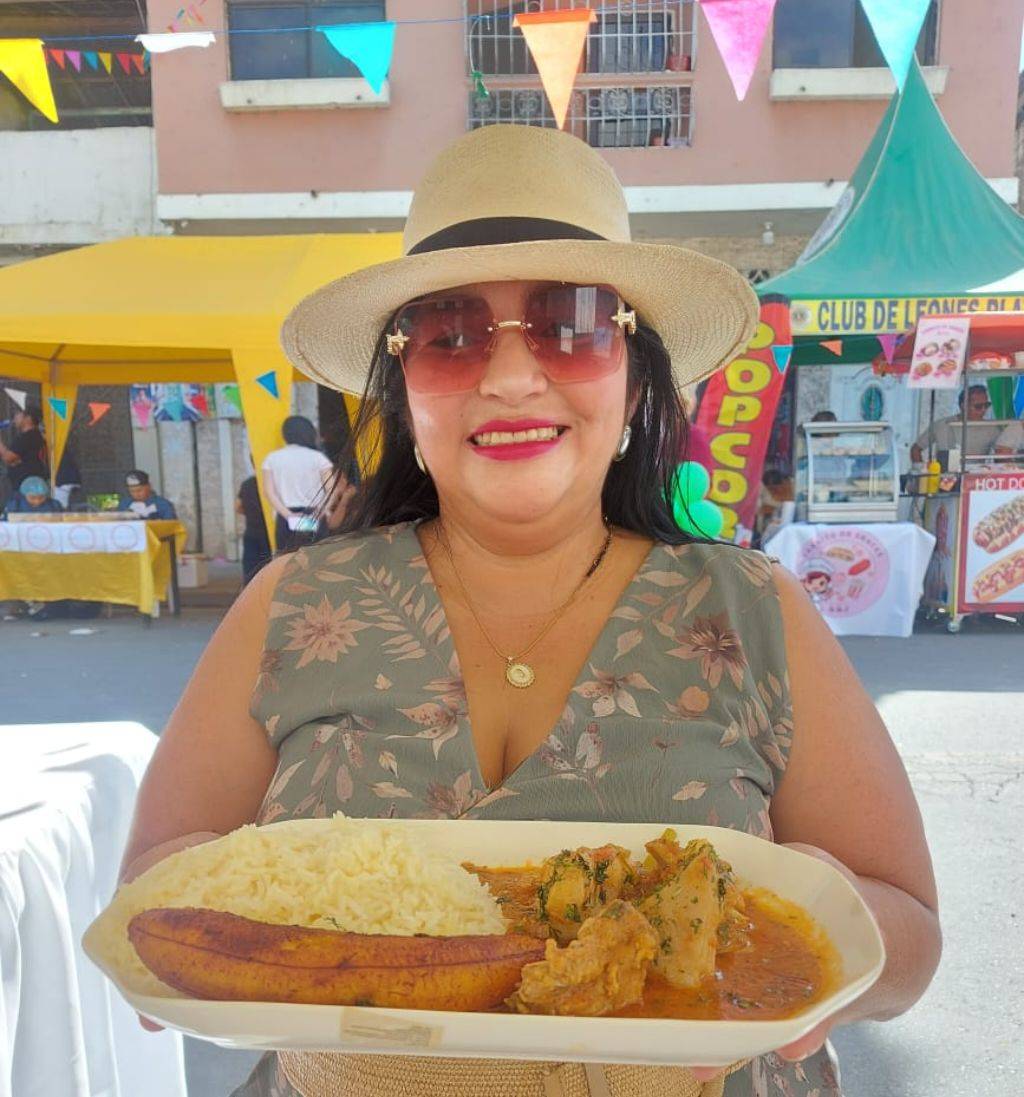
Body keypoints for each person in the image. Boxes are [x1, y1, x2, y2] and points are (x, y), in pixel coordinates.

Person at [118, 125, 940, 1097]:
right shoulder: (287, 605)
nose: (510, 377)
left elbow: (909, 935)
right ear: (403, 384)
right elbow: (148, 903)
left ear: (635, 372)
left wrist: (816, 931)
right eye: (449, 333)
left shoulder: (756, 611)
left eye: (573, 322)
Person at [259, 415, 333, 551]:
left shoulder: (272, 458)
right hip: (314, 514)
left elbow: (269, 492)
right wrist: (321, 512)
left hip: (285, 516)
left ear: (285, 434)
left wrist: (288, 515)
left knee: (287, 559)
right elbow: (331, 490)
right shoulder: (319, 458)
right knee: (317, 558)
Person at [911, 384, 1023, 465]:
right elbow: (916, 449)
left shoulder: (991, 428)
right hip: (944, 480)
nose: (983, 410)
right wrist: (922, 472)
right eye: (978, 406)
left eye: (986, 405)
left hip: (975, 480)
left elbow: (1001, 452)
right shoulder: (942, 425)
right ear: (963, 405)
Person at [0, 405, 49, 492]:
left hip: (28, 488)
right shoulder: (34, 435)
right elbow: (14, 461)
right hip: (30, 485)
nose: (15, 417)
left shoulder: (28, 437)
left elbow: (8, 458)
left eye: (18, 414)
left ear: (28, 418)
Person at [235, 474, 272, 586]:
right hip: (269, 532)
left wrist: (250, 513)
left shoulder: (247, 483)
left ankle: (250, 590)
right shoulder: (274, 481)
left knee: (250, 567)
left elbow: (237, 507)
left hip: (251, 530)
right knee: (269, 566)